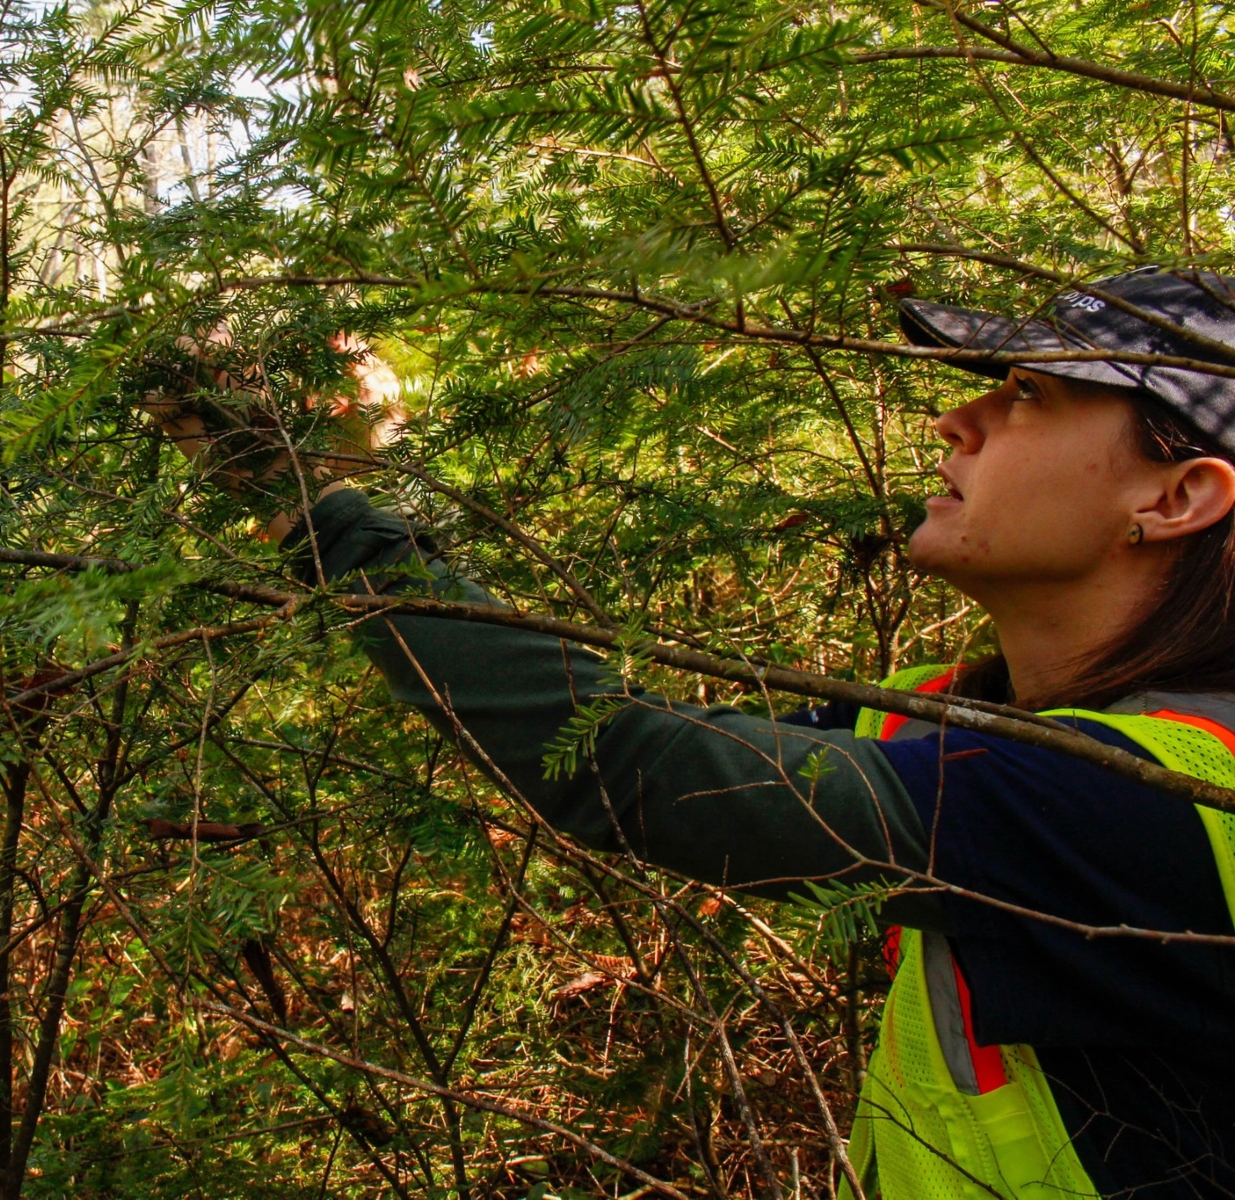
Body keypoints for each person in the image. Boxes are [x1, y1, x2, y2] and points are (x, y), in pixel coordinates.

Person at [150, 267, 1235, 1198]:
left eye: (1030, 395)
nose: (958, 422)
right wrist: (317, 473)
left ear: (1178, 496)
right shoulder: (958, 711)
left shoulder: (1160, 796)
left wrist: (313, 500)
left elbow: (626, 763)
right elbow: (642, 729)